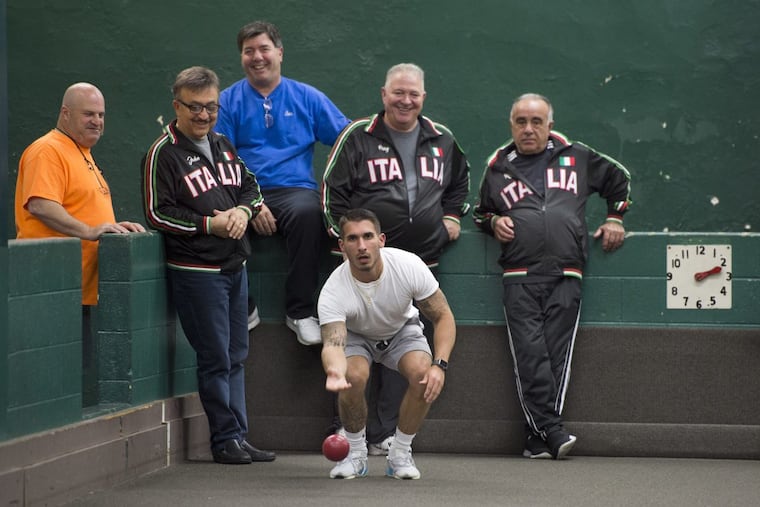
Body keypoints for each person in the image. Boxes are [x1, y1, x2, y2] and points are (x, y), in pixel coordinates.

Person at [473, 93, 632, 459]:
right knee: (529, 354)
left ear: (549, 124)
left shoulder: (577, 156)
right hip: (519, 275)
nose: (528, 129)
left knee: (556, 356)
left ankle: (536, 436)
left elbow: (619, 181)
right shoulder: (498, 166)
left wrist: (614, 218)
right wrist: (495, 221)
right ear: (511, 124)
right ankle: (553, 430)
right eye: (521, 122)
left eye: (536, 122)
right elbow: (480, 213)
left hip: (566, 272)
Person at [322, 63, 470, 455]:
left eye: (414, 94)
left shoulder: (442, 139)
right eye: (398, 93)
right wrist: (349, 248)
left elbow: (460, 181)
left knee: (404, 351)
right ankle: (346, 430)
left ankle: (384, 436)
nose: (406, 100)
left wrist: (452, 216)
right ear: (384, 94)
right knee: (353, 350)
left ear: (424, 97)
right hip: (363, 268)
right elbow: (331, 196)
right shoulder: (358, 137)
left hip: (419, 266)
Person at [142, 66, 275, 465]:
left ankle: (239, 434)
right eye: (195, 107)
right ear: (176, 106)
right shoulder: (162, 153)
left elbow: (251, 187)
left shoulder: (223, 145)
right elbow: (155, 213)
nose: (203, 115)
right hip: (196, 271)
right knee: (216, 356)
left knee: (236, 353)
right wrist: (208, 223)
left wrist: (241, 210)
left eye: (211, 107)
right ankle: (223, 439)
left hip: (235, 266)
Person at [215, 20, 350, 344]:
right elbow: (221, 158)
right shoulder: (227, 101)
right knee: (217, 222)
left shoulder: (307, 97)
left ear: (279, 52)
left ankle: (300, 312)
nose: (257, 57)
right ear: (242, 57)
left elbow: (347, 139)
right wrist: (251, 204)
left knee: (308, 215)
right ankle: (242, 310)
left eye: (264, 49)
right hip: (242, 189)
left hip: (295, 190)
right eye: (249, 51)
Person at [319, 208, 456, 480]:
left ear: (381, 239)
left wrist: (439, 365)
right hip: (356, 336)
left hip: (401, 330)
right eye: (353, 239)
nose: (361, 246)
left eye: (368, 236)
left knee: (421, 373)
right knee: (353, 375)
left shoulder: (409, 266)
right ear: (342, 246)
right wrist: (335, 371)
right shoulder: (334, 290)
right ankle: (356, 454)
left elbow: (443, 316)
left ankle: (400, 454)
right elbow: (333, 343)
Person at [14, 82, 145, 312]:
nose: (97, 121)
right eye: (88, 114)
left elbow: (80, 208)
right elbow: (40, 205)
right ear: (65, 114)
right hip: (52, 287)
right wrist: (89, 231)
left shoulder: (82, 153)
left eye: (101, 115)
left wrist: (112, 227)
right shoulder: (48, 150)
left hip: (79, 290)